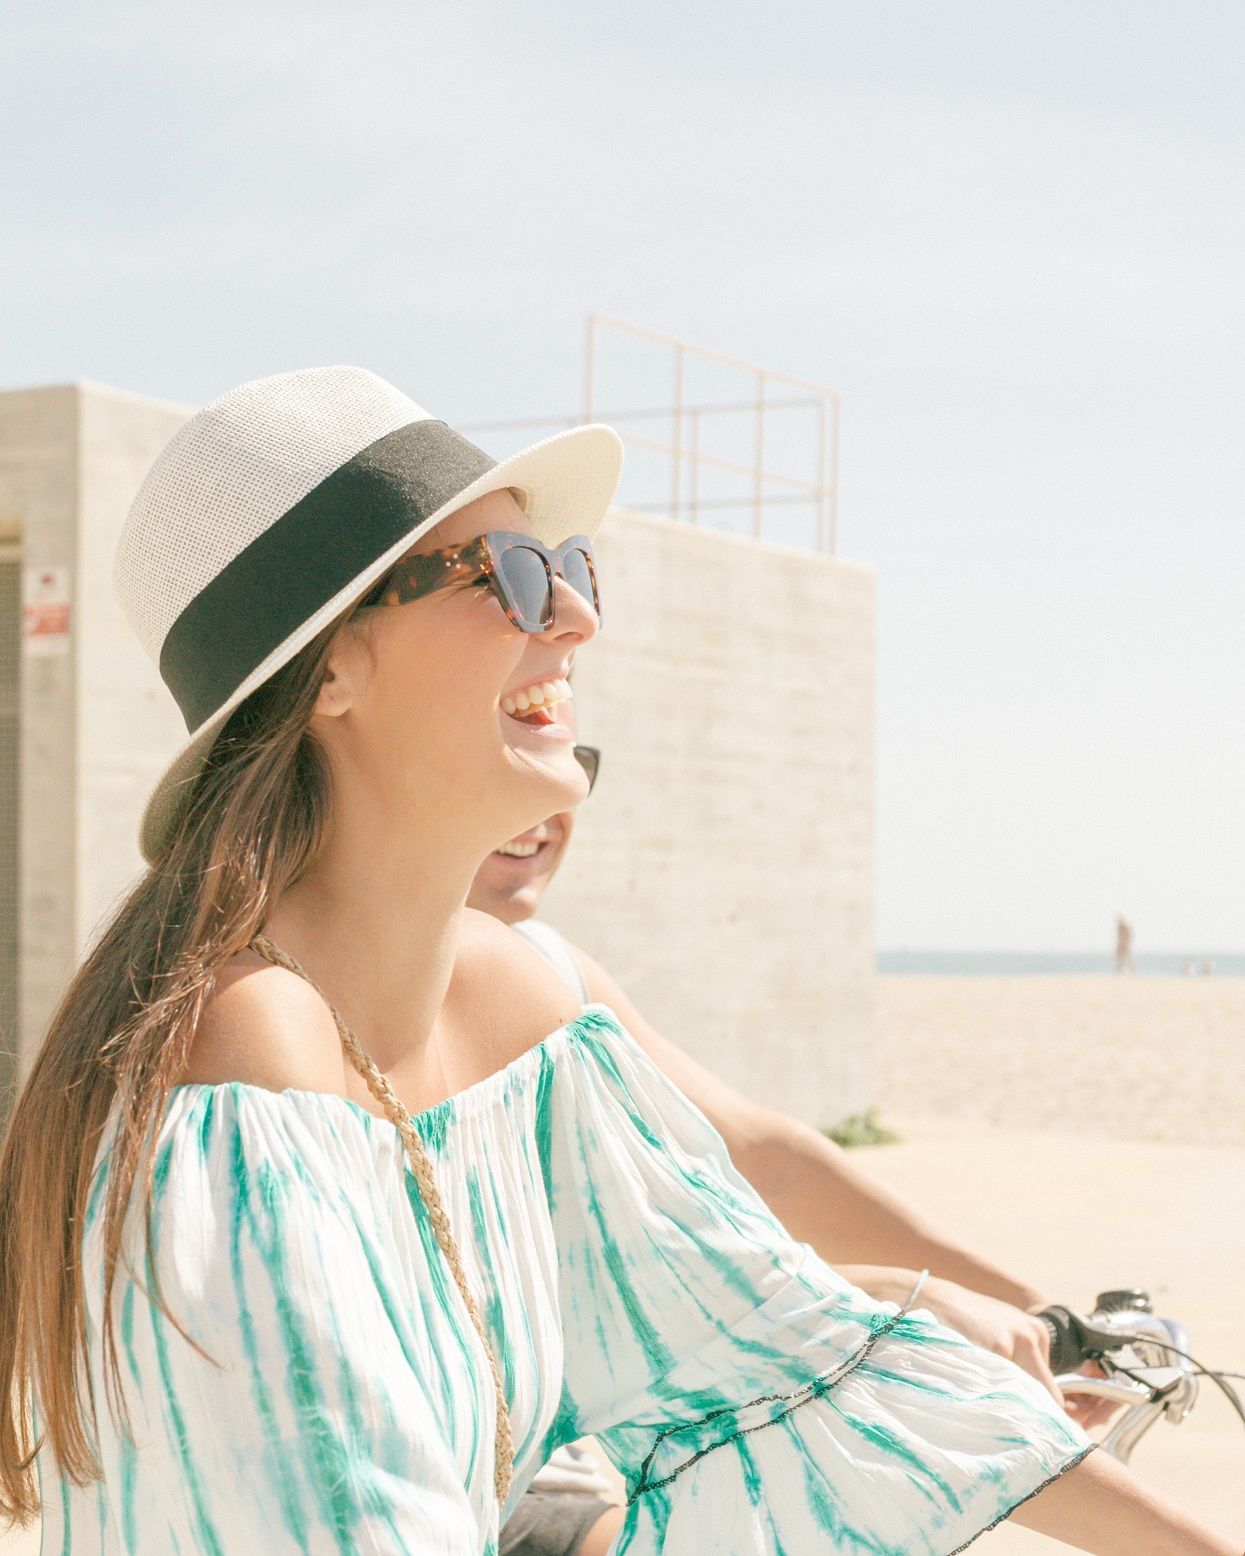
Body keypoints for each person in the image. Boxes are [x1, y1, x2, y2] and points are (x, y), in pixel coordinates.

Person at [0, 366, 1237, 1555]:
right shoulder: (247, 1068)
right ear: (334, 664)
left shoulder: (520, 1008)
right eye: (511, 577)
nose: (578, 616)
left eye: (573, 569)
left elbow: (794, 1347)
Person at [476, 765, 1129, 1556]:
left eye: (571, 758)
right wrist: (877, 1297)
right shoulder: (322, 995)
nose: (550, 801)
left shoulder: (549, 969)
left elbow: (761, 1155)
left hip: (563, 1472)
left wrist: (1042, 1319)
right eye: (510, 735)